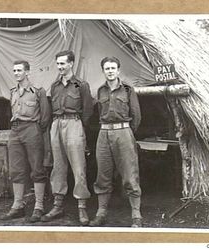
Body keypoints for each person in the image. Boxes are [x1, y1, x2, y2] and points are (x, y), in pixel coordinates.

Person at [41, 50, 93, 226]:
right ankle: (57, 205)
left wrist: (79, 127)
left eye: (63, 64)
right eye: (58, 64)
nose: (60, 67)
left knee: (79, 166)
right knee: (58, 166)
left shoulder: (81, 85)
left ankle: (82, 207)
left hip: (74, 124)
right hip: (56, 124)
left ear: (71, 63)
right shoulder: (55, 86)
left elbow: (87, 110)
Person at [89, 57, 142, 228]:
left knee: (129, 173)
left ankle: (136, 214)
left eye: (113, 68)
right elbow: (99, 113)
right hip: (104, 133)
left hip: (123, 132)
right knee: (102, 174)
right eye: (107, 68)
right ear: (103, 71)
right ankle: (101, 212)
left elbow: (136, 115)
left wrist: (126, 132)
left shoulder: (128, 89)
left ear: (118, 70)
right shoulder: (100, 91)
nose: (110, 71)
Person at [0, 60, 51, 223]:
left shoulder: (38, 92)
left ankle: (39, 207)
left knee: (37, 169)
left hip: (32, 129)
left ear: (27, 72)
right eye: (14, 70)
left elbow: (45, 118)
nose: (16, 73)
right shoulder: (13, 92)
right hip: (15, 130)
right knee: (16, 169)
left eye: (19, 70)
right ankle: (17, 206)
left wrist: (34, 131)